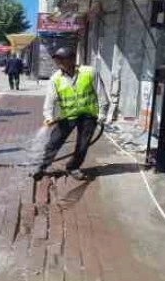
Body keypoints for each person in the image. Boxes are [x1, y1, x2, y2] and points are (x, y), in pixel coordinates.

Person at [33, 48, 109, 181]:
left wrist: (102, 113)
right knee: (54, 141)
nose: (59, 62)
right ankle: (43, 166)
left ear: (73, 59)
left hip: (88, 115)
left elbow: (101, 94)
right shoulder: (55, 79)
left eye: (62, 59)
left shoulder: (89, 72)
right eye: (58, 59)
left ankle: (73, 167)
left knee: (83, 144)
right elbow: (50, 101)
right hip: (68, 116)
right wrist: (49, 117)